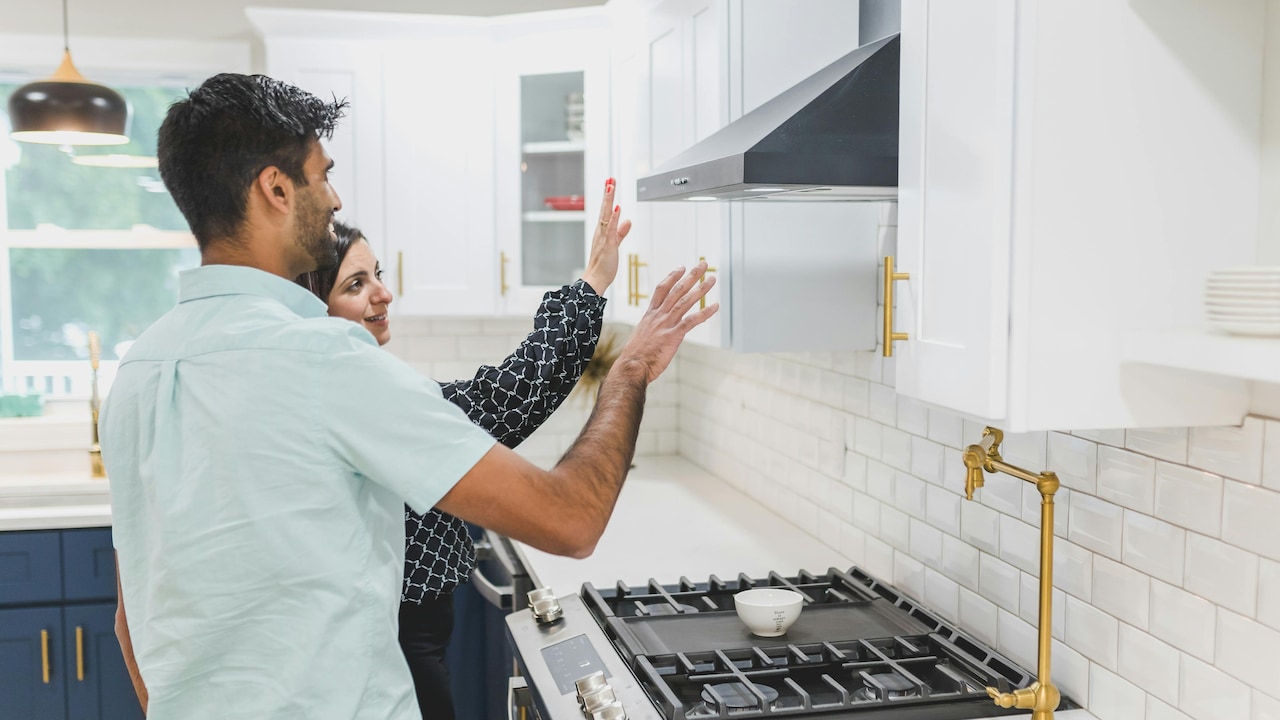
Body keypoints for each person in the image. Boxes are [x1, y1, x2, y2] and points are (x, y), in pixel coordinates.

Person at [100, 72, 715, 720]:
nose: (333, 197)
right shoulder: (327, 362)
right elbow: (572, 518)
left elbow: (128, 624)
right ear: (276, 189)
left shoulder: (137, 374)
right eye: (322, 173)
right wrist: (631, 369)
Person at [295, 211, 620, 719]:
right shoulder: (367, 399)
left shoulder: (345, 388)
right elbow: (513, 395)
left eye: (378, 274)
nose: (382, 293)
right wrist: (593, 284)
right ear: (316, 307)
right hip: (401, 644)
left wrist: (590, 283)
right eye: (356, 284)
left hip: (403, 636)